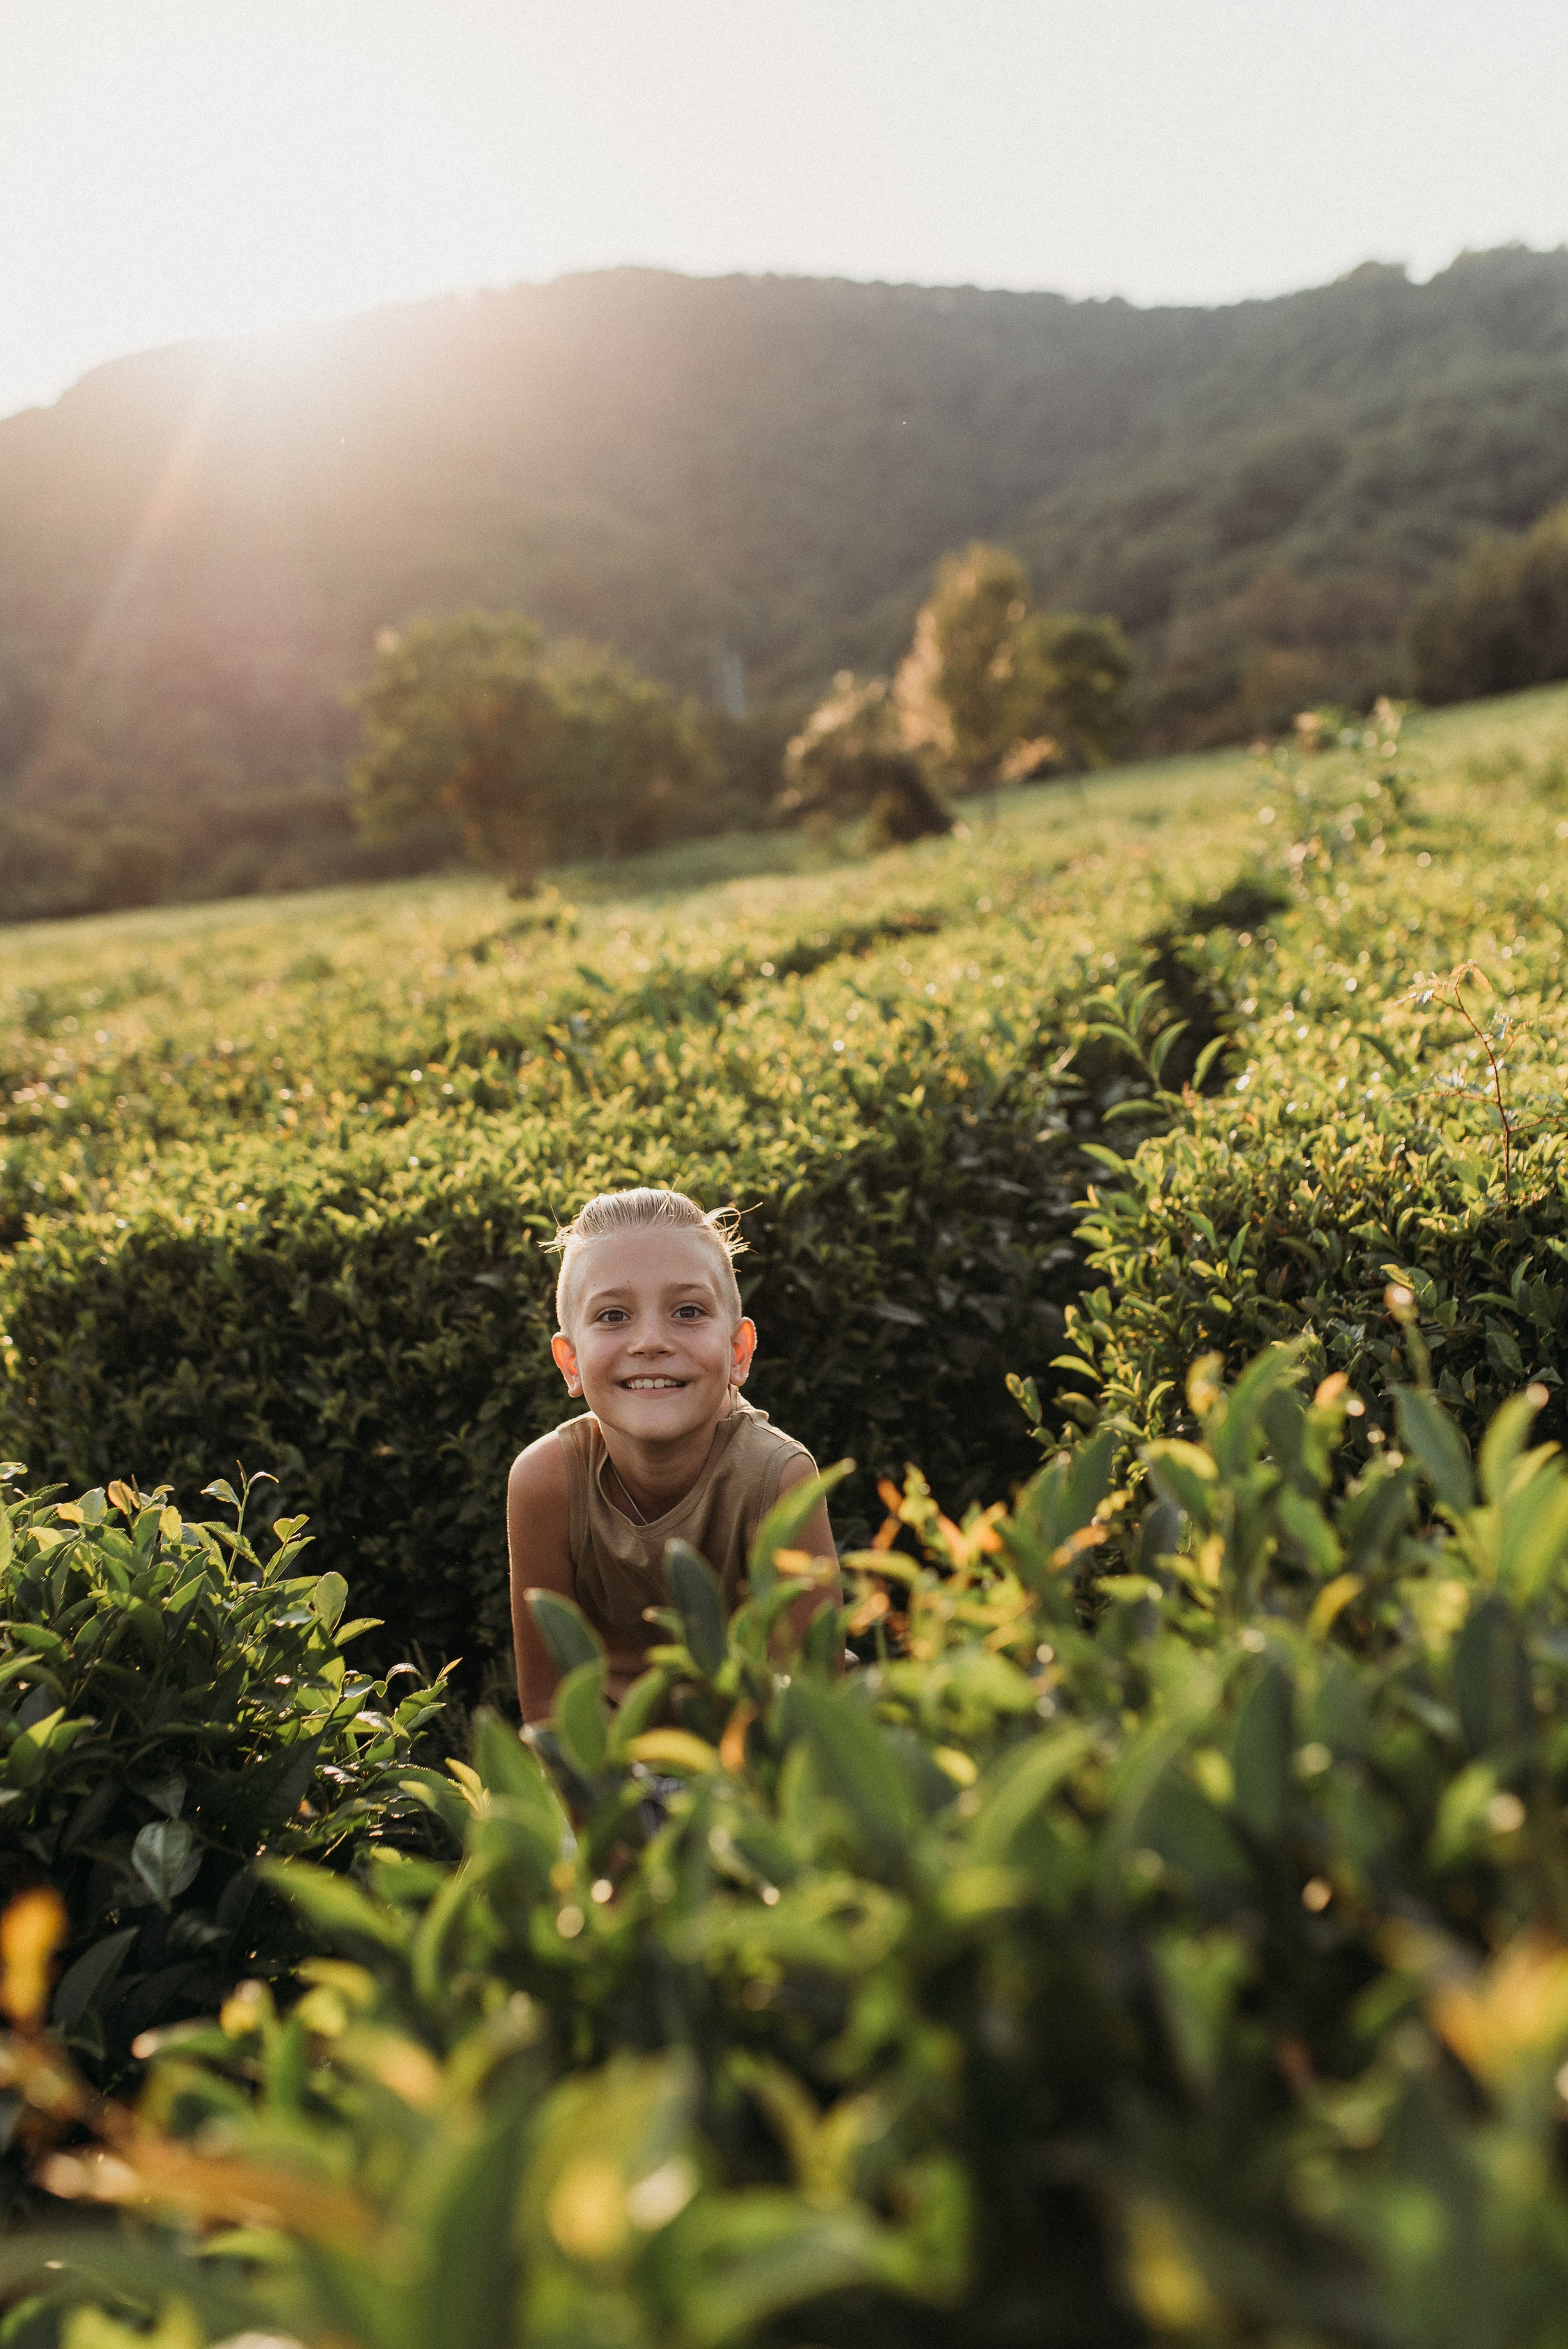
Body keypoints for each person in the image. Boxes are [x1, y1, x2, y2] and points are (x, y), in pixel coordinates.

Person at [507, 1187, 840, 1725]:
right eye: (613, 1316)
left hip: (756, 1765)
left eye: (687, 1311)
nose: (651, 1341)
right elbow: (548, 1705)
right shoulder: (546, 1482)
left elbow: (809, 1702)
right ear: (570, 1362)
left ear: (738, 1353)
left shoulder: (778, 1481)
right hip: (613, 1770)